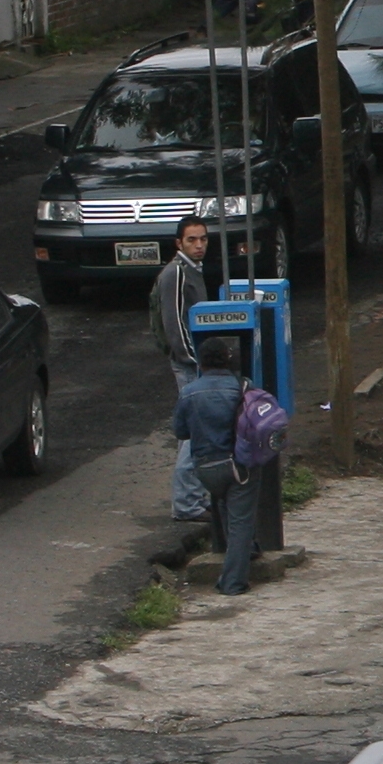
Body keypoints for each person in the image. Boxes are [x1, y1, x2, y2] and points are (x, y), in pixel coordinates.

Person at [172, 335, 258, 596]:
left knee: (222, 505)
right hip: (238, 465)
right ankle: (233, 582)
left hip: (206, 468)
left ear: (201, 362)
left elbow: (181, 432)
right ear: (228, 359)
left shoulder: (189, 392)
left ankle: (244, 552)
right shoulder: (242, 387)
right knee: (241, 521)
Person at [150, 215, 215, 523]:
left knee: (196, 432)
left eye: (202, 238)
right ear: (179, 243)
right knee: (194, 433)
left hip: (196, 363)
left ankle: (196, 497)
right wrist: (194, 361)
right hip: (190, 365)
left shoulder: (192, 270)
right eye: (192, 239)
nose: (199, 244)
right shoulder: (175, 274)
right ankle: (187, 503)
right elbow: (175, 324)